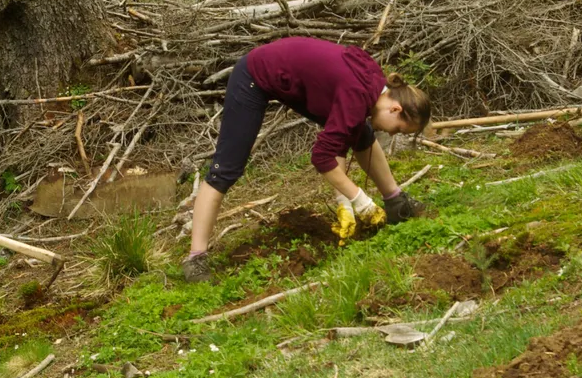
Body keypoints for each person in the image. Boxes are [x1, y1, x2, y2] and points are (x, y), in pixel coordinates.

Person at [182, 36, 431, 283]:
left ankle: (395, 201)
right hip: (255, 75)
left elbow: (339, 139)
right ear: (395, 109)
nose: (391, 133)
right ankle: (196, 258)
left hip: (289, 75)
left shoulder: (375, 85)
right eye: (398, 129)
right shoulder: (357, 93)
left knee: (359, 131)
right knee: (226, 168)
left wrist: (343, 204)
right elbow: (322, 157)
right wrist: (360, 202)